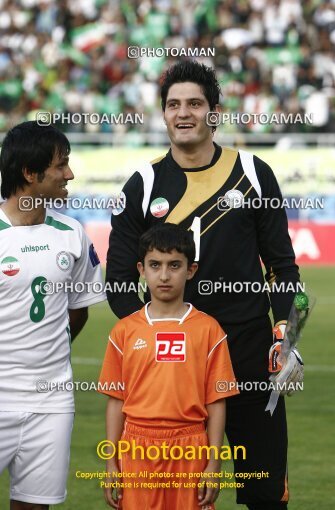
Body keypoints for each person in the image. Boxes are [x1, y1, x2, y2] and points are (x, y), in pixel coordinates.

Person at [105, 60, 304, 509]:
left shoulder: (253, 172)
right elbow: (118, 282)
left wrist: (284, 338)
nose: (184, 113)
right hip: (176, 367)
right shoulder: (142, 185)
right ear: (163, 114)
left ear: (215, 112)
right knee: (182, 499)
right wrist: (161, 336)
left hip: (249, 356)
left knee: (265, 493)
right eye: (173, 104)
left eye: (195, 103)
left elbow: (281, 267)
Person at [0, 121, 106, 510]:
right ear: (30, 173)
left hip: (53, 401)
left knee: (34, 505)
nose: (70, 174)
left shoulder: (72, 233)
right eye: (61, 165)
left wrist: (47, 357)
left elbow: (78, 312)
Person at [98, 223, 239, 509]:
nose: (164, 275)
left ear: (191, 270)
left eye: (174, 265)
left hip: (191, 444)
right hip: (137, 445)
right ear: (141, 269)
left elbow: (216, 402)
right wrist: (111, 462)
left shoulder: (209, 329)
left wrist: (214, 463)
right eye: (155, 265)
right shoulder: (124, 331)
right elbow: (116, 401)